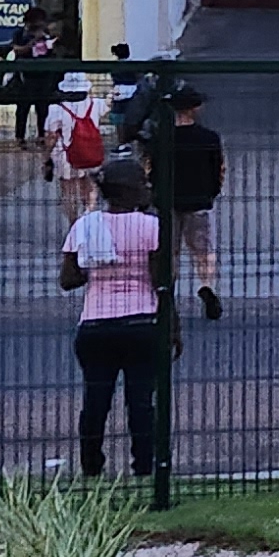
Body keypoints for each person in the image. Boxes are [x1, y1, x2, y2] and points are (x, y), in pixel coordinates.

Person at [62, 150, 168, 481]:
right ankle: (145, 468)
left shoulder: (85, 226)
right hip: (141, 322)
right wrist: (172, 327)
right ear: (129, 191)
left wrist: (95, 262)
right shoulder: (152, 226)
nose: (148, 187)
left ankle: (91, 467)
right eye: (143, 183)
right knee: (141, 401)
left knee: (96, 400)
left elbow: (69, 280)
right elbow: (162, 281)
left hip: (95, 325)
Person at [164, 83, 226, 319]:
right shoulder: (209, 137)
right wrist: (212, 192)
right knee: (204, 252)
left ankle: (167, 294)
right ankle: (206, 286)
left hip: (169, 201)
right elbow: (219, 169)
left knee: (170, 252)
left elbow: (151, 169)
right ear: (196, 108)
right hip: (199, 200)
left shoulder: (163, 138)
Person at [47, 69, 108, 214]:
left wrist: (46, 157)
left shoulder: (56, 109)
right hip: (90, 150)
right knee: (89, 183)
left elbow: (51, 135)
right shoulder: (97, 104)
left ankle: (73, 222)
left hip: (64, 153)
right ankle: (88, 212)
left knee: (68, 189)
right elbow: (108, 106)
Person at [10, 16, 60, 147]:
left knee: (42, 108)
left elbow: (53, 53)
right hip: (25, 75)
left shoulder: (46, 35)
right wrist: (32, 42)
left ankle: (41, 135)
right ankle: (20, 137)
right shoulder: (20, 34)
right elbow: (16, 49)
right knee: (22, 108)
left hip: (43, 75)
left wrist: (50, 43)